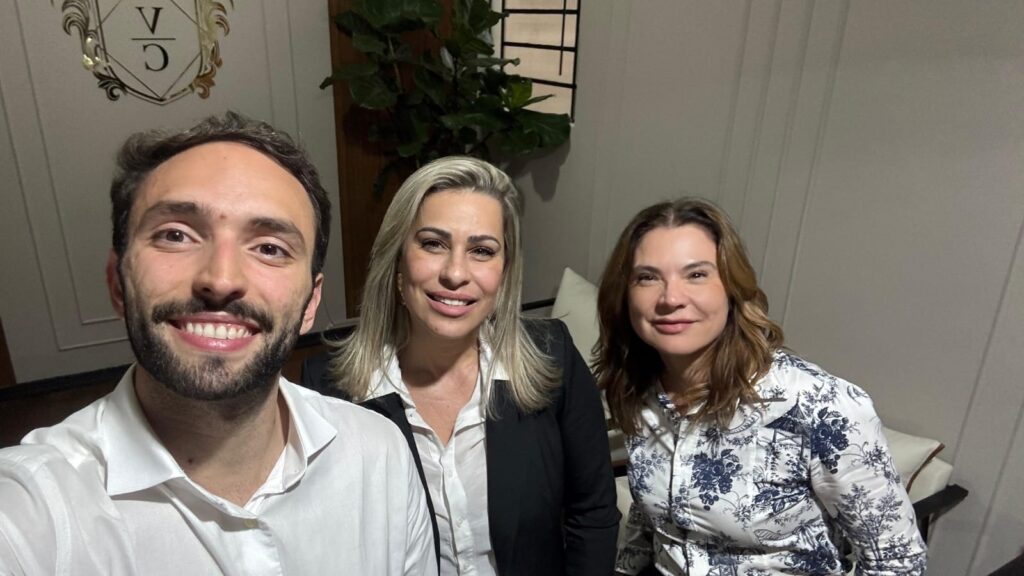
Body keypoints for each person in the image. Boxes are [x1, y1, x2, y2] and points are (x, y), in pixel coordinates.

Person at [0, 112, 435, 575]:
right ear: (118, 282)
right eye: (176, 235)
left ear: (311, 302)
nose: (221, 279)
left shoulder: (380, 453)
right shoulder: (30, 514)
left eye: (270, 247)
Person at [304, 156, 619, 575]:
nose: (455, 273)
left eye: (482, 251)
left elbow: (593, 513)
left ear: (504, 273)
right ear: (398, 264)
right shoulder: (328, 389)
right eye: (433, 243)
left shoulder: (553, 356)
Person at [595, 198, 926, 575]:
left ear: (732, 288)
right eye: (648, 277)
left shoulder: (821, 404)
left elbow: (898, 562)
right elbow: (650, 517)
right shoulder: (639, 390)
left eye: (697, 274)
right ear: (625, 293)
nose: (671, 298)